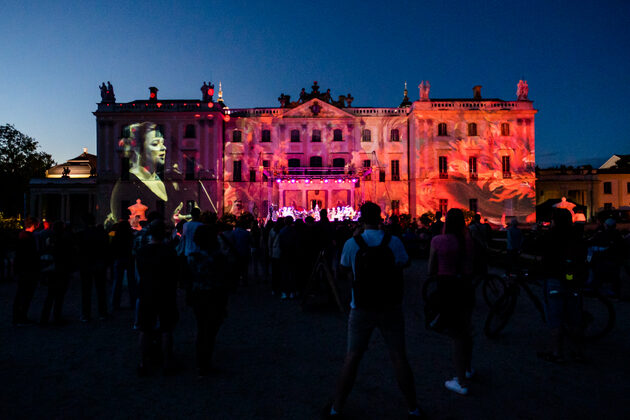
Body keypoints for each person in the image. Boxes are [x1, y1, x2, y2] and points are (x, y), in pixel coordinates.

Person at [326, 202, 424, 419]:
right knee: (399, 357)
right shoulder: (394, 241)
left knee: (352, 357)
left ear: (360, 218)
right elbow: (404, 264)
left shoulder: (352, 243)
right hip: (390, 305)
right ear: (380, 217)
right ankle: (413, 408)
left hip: (361, 306)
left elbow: (343, 269)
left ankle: (336, 408)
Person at [428, 208, 475, 395]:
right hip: (466, 287)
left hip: (448, 288)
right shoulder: (468, 242)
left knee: (456, 335)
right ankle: (468, 369)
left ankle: (461, 381)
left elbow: (430, 270)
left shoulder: (438, 241)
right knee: (467, 331)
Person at [538, 208, 586, 363]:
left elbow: (542, 255)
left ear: (555, 221)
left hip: (555, 279)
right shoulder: (576, 235)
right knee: (574, 317)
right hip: (573, 279)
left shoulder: (550, 235)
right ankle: (577, 351)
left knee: (555, 317)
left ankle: (556, 352)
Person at [135, 219, 179, 375]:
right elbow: (175, 273)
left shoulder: (142, 252)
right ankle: (167, 363)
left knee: (145, 329)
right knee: (167, 329)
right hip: (166, 292)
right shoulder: (169, 251)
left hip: (147, 292)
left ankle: (142, 363)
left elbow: (140, 272)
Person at [187, 224, 231, 376]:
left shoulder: (192, 258)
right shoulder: (218, 257)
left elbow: (187, 279)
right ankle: (205, 362)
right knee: (211, 330)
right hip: (214, 296)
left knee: (201, 328)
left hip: (198, 296)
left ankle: (201, 361)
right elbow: (225, 278)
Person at [78, 214, 109, 322]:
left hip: (86, 264)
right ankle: (102, 313)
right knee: (101, 290)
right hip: (99, 263)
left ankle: (85, 314)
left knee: (86, 290)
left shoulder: (81, 234)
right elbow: (106, 248)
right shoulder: (101, 233)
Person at [12, 217, 39, 326]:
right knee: (24, 294)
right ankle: (19, 317)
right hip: (28, 270)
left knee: (22, 294)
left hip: (23, 269)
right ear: (33, 225)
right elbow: (30, 255)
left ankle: (20, 316)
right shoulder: (29, 238)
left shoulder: (21, 236)